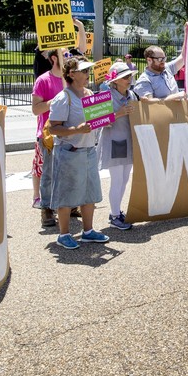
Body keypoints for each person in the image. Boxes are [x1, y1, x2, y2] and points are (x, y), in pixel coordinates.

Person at [47, 57, 110, 249]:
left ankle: (88, 231)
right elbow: (52, 128)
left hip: (88, 150)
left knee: (89, 192)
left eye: (87, 70)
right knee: (66, 194)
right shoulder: (63, 98)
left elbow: (97, 119)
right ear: (71, 74)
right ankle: (63, 234)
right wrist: (76, 130)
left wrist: (104, 118)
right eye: (83, 71)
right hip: (69, 151)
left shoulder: (89, 93)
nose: (87, 74)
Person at [97, 62, 137, 230]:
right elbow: (98, 121)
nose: (129, 79)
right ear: (116, 80)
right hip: (114, 142)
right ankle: (114, 215)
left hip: (128, 141)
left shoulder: (132, 95)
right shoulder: (105, 95)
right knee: (117, 180)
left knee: (125, 179)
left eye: (129, 76)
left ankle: (116, 211)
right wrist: (118, 113)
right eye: (125, 77)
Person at [32, 49, 66, 227]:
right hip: (48, 134)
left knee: (68, 171)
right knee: (49, 173)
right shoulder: (43, 80)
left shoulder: (70, 80)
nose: (68, 58)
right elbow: (36, 109)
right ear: (54, 58)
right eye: (65, 55)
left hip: (69, 132)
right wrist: (57, 100)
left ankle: (68, 205)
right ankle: (46, 209)